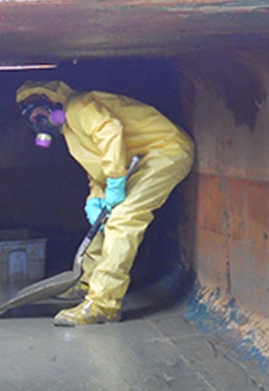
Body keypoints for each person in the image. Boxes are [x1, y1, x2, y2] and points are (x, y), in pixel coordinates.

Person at [16, 81, 194, 326]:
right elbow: (98, 167)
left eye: (39, 110)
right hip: (135, 161)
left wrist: (116, 182)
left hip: (164, 151)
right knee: (102, 222)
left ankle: (104, 304)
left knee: (124, 219)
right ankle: (87, 284)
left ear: (54, 102)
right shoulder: (70, 131)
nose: (37, 119)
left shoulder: (78, 106)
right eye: (29, 115)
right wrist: (96, 197)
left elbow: (111, 132)